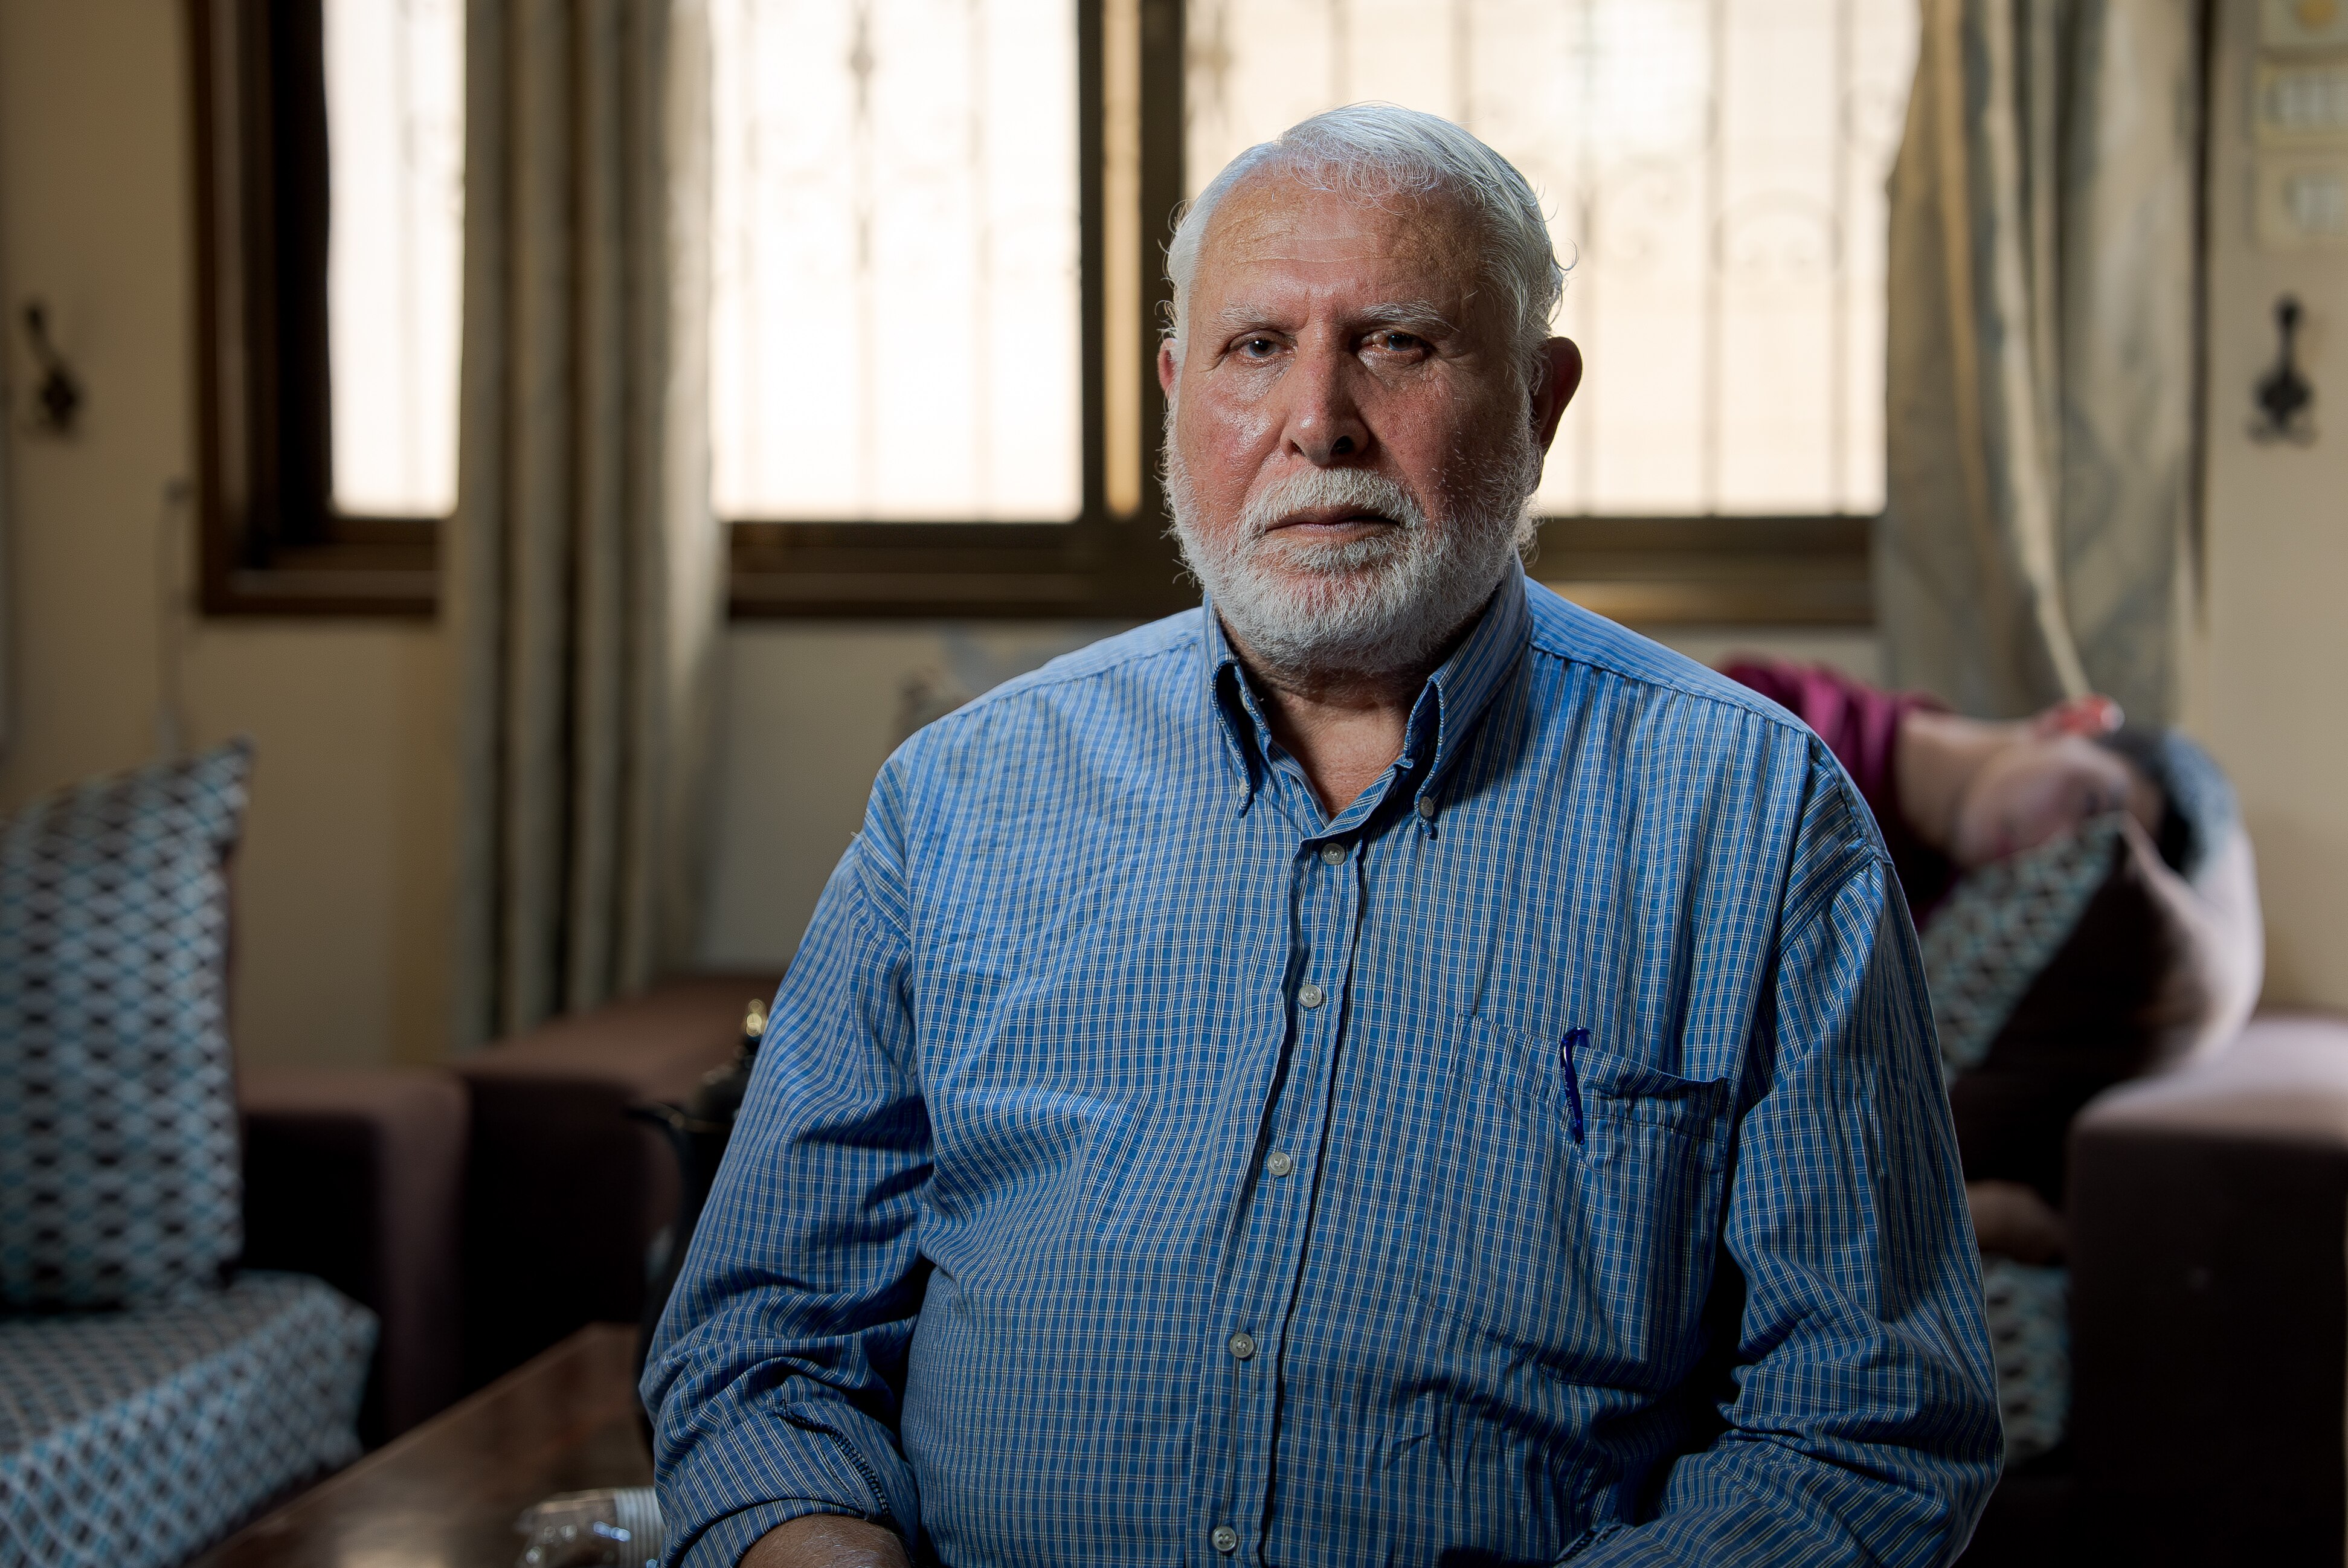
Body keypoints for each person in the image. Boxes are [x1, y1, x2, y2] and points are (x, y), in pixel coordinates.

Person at [644, 106, 2001, 1567]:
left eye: (1399, 342)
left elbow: (1873, 1430)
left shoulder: (1757, 824)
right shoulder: (958, 804)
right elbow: (758, 1340)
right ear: (1178, 397)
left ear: (1542, 404)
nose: (1318, 418)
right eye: (1254, 348)